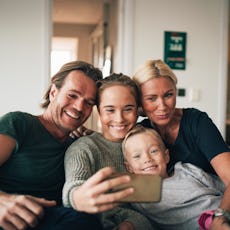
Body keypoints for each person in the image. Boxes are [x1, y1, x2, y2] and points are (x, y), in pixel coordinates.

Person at [0, 60, 105, 230]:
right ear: (53, 93)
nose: (79, 107)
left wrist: (95, 139)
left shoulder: (79, 146)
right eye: (72, 95)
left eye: (88, 102)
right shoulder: (18, 124)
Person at [132, 59, 230, 229]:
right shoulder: (142, 134)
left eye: (168, 95)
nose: (162, 106)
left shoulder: (197, 122)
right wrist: (86, 134)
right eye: (151, 98)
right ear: (140, 102)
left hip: (220, 201)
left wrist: (220, 216)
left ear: (175, 92)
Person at [63, 73, 153, 230]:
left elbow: (155, 201)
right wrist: (77, 196)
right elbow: (74, 187)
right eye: (110, 110)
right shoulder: (85, 148)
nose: (119, 119)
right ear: (98, 111)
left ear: (137, 109)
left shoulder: (149, 141)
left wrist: (132, 224)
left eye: (128, 109)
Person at [122, 125, 229, 230]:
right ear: (129, 167)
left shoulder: (186, 170)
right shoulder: (138, 194)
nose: (147, 159)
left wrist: (222, 214)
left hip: (224, 211)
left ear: (166, 156)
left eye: (153, 151)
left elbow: (225, 187)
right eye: (137, 156)